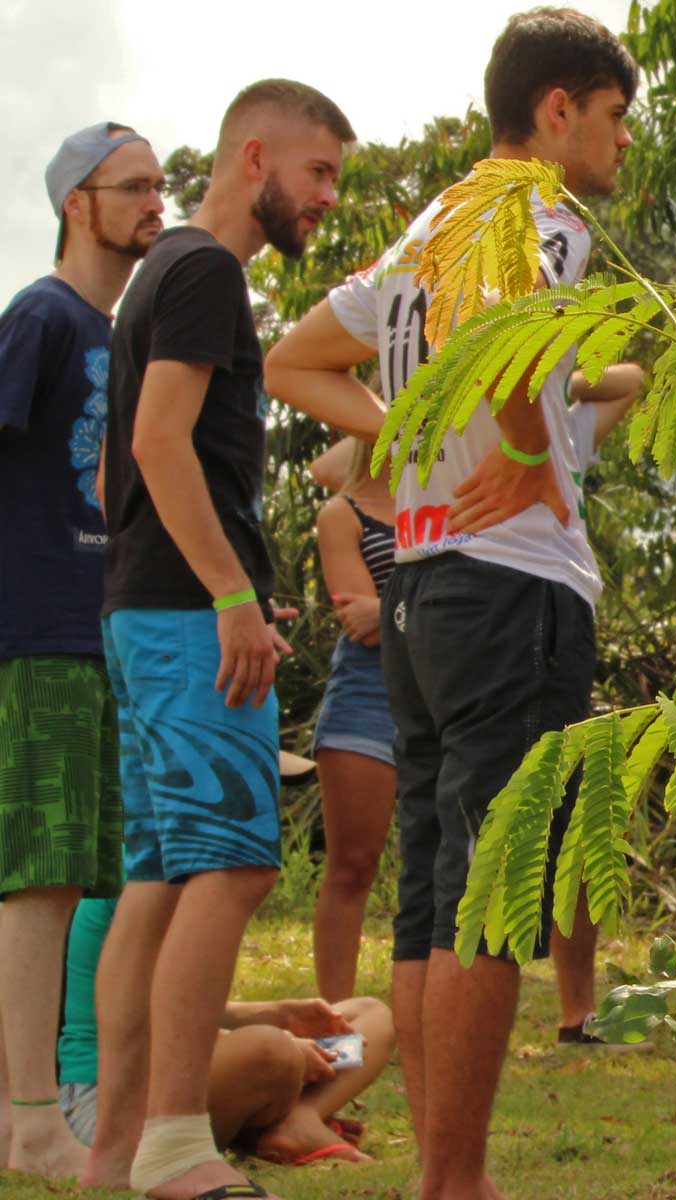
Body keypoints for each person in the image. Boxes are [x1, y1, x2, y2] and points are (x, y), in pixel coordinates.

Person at [261, 12, 636, 1196]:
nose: (624, 144)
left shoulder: (429, 228)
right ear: (559, 109)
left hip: (421, 581)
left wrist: (415, 430)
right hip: (512, 581)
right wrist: (526, 447)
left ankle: (444, 1174)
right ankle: (455, 1181)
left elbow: (296, 360)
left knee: (433, 891)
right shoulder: (540, 212)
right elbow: (513, 327)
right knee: (495, 889)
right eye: (617, 116)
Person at [80, 79, 355, 1200]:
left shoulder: (163, 274)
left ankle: (113, 1154)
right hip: (185, 618)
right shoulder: (203, 270)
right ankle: (176, 1148)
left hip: (150, 612)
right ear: (256, 157)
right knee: (233, 865)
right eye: (320, 173)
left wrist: (218, 584)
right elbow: (154, 444)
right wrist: (229, 594)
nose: (328, 198)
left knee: (158, 877)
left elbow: (118, 473)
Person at [0, 120, 162, 1180]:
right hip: (37, 637)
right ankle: (30, 1119)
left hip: (94, 635)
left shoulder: (119, 331)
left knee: (68, 877)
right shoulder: (43, 319)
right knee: (41, 881)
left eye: (162, 183)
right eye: (133, 186)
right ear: (77, 203)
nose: (157, 200)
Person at [60, 899, 394, 1168]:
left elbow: (181, 1002)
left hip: (180, 1072)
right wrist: (287, 1043)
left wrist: (281, 1013)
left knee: (371, 1015)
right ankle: (271, 1122)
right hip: (114, 1100)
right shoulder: (146, 881)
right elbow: (142, 1021)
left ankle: (300, 1116)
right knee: (271, 1052)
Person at [307, 437, 398, 1003]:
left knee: (449, 865)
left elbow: (381, 614)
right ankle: (336, 1014)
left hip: (444, 696)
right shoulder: (342, 513)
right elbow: (360, 623)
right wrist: (439, 610)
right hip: (367, 696)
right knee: (352, 866)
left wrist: (392, 612)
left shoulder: (450, 497)